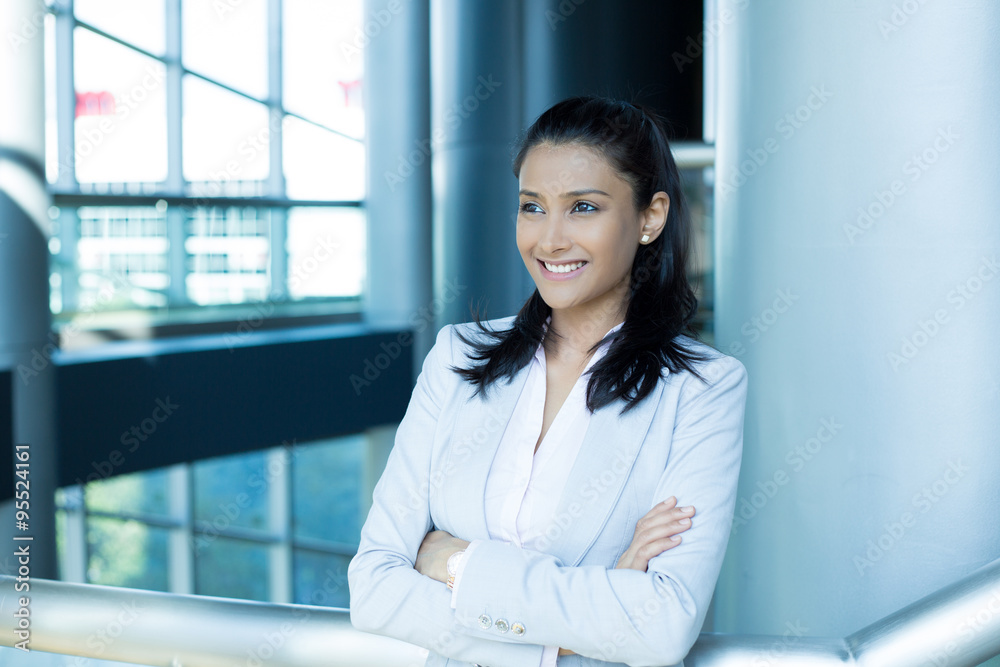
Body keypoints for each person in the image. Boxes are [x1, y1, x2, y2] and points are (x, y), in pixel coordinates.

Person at [348, 96, 748, 667]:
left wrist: (456, 565)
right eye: (532, 207)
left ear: (650, 217)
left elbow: (661, 625)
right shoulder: (455, 359)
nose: (549, 239)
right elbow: (373, 588)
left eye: (583, 207)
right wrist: (589, 611)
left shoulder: (703, 389)